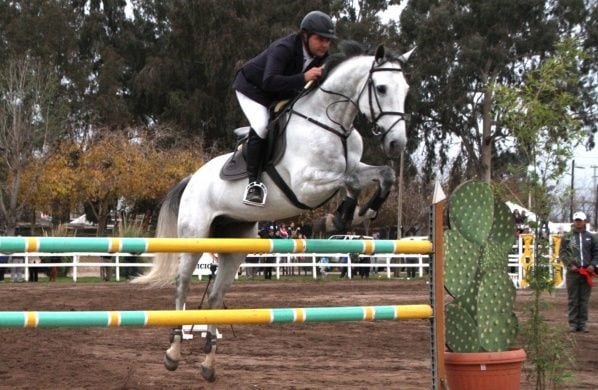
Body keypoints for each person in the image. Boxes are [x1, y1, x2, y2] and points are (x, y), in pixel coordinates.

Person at [233, 10, 336, 206]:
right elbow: (269, 81)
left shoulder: (322, 57)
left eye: (328, 40)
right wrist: (304, 77)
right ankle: (253, 183)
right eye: (320, 39)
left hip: (278, 92)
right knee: (262, 125)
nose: (325, 45)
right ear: (305, 35)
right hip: (252, 88)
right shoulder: (285, 48)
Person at [559, 211, 598, 332]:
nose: (578, 222)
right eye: (576, 220)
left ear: (584, 221)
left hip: (587, 271)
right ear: (574, 222)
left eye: (580, 220)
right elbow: (562, 252)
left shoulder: (591, 237)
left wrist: (593, 264)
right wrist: (569, 264)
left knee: (584, 299)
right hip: (573, 273)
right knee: (573, 299)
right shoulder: (568, 237)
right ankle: (573, 323)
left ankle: (583, 323)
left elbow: (596, 252)